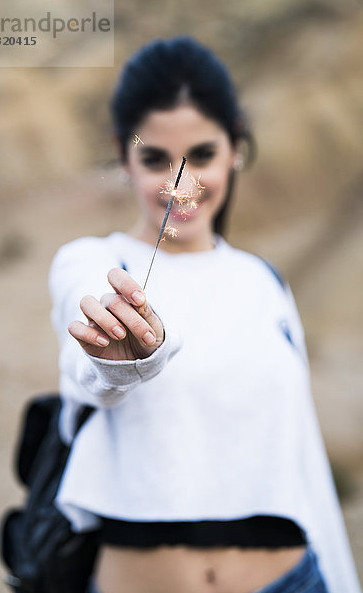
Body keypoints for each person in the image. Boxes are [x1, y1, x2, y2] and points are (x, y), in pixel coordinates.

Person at [48, 37, 361, 593]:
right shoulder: (92, 262)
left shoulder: (263, 282)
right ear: (123, 156)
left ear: (236, 148)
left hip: (292, 579)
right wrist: (127, 359)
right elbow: (89, 374)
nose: (180, 184)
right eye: (155, 159)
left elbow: (301, 459)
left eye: (203, 155)